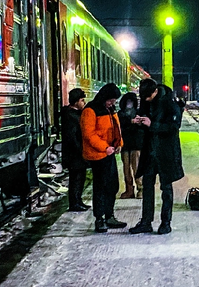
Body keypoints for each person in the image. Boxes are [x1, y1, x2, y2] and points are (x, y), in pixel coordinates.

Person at [129, 78, 184, 236]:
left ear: (155, 91)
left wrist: (152, 125)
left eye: (148, 97)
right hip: (150, 151)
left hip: (166, 152)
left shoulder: (170, 103)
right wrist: (139, 122)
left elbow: (174, 127)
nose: (145, 100)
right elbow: (144, 119)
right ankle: (146, 221)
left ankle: (166, 222)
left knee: (166, 187)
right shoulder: (147, 101)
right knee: (147, 186)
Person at [80, 83, 126, 233]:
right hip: (98, 155)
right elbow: (89, 134)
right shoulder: (90, 110)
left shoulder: (109, 109)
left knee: (112, 185)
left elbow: (116, 128)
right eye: (110, 100)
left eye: (114, 101)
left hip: (109, 153)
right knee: (100, 187)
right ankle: (99, 219)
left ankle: (109, 215)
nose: (112, 103)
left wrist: (119, 143)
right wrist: (104, 147)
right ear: (104, 97)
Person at [61, 88, 88, 211]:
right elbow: (73, 137)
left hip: (77, 154)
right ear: (76, 102)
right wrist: (81, 150)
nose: (84, 103)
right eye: (82, 100)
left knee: (80, 177)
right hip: (75, 154)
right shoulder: (71, 116)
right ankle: (74, 202)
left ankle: (78, 200)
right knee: (76, 179)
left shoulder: (74, 115)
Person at [118, 91, 144, 199]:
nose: (129, 104)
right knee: (126, 169)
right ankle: (129, 189)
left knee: (136, 167)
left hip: (135, 144)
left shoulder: (139, 113)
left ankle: (140, 189)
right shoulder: (121, 114)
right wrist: (131, 122)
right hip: (126, 144)